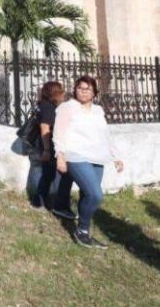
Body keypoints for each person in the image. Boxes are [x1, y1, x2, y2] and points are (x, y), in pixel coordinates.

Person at [53, 75, 124, 249]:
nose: (83, 91)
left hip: (98, 157)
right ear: (75, 89)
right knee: (96, 195)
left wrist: (116, 156)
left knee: (87, 195)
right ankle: (82, 230)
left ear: (94, 93)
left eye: (87, 89)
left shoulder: (98, 111)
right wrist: (60, 155)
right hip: (76, 156)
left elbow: (105, 135)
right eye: (80, 88)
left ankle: (83, 230)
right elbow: (59, 132)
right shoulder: (68, 107)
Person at [31, 81, 73, 213]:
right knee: (56, 174)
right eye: (61, 91)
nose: (63, 93)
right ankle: (48, 203)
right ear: (55, 93)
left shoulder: (43, 105)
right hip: (49, 146)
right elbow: (45, 127)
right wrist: (47, 150)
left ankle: (42, 200)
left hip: (47, 145)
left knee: (48, 174)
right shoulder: (48, 107)